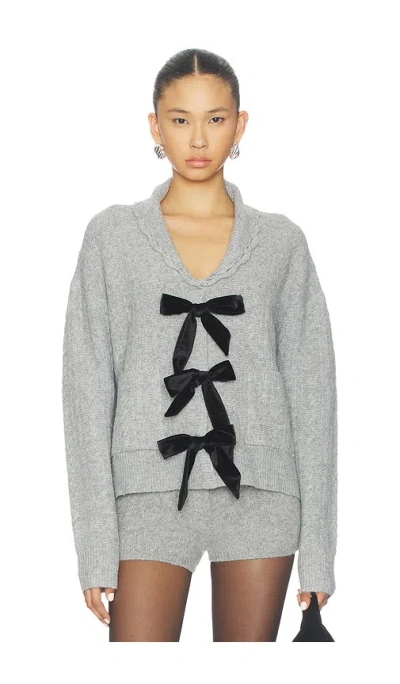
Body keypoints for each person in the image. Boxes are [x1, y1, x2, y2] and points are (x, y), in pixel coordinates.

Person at [62, 48, 338, 642]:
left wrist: (319, 552)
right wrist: (94, 545)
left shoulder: (281, 243)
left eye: (215, 119)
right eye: (180, 119)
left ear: (240, 125)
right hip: (144, 495)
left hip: (262, 492)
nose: (197, 138)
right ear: (154, 126)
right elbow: (85, 395)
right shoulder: (111, 237)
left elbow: (314, 396)